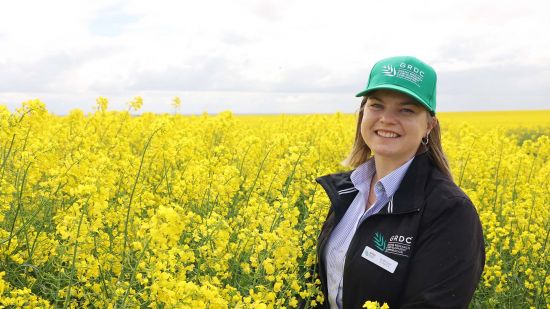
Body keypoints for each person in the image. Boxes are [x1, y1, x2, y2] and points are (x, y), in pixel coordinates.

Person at [314, 56, 485, 308]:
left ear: (429, 125)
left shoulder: (450, 211)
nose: (387, 119)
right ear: (363, 113)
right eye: (376, 106)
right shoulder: (348, 191)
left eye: (406, 110)